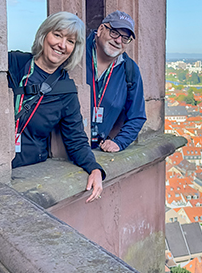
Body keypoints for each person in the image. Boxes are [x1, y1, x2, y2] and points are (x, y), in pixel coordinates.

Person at [8, 12, 104, 203]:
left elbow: (75, 138)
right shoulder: (14, 63)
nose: (62, 45)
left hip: (27, 169)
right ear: (44, 35)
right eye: (58, 35)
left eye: (70, 41)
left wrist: (94, 168)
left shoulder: (66, 91)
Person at [86, 11, 146, 152]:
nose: (118, 41)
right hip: (63, 151)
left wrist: (120, 142)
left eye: (125, 38)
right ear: (101, 30)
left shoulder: (129, 69)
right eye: (114, 33)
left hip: (96, 150)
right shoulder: (77, 56)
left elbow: (137, 115)